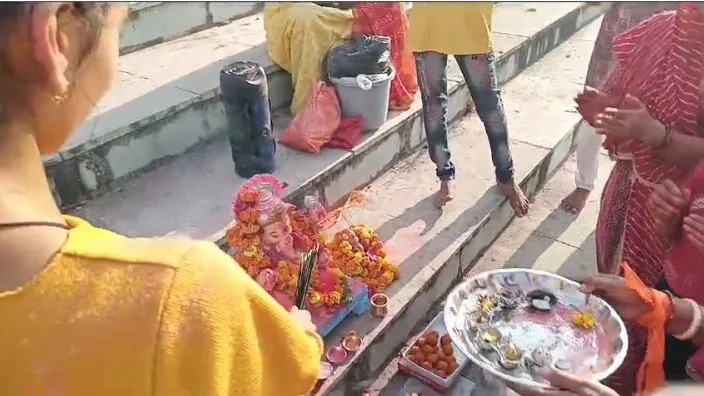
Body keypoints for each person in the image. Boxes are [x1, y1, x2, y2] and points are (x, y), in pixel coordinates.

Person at [0, 3, 322, 395]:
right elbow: (295, 373)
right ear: (55, 38)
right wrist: (298, 338)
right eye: (121, 25)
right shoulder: (179, 298)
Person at [575, 3, 704, 393]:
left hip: (680, 213)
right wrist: (609, 116)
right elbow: (616, 103)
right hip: (628, 190)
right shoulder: (662, 27)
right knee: (617, 294)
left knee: (652, 319)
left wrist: (656, 133)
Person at [408, 2, 530, 215]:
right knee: (434, 108)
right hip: (429, 24)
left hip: (470, 23)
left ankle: (505, 176)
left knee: (490, 108)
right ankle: (445, 174)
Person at [560, 2, 678, 214]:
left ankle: (631, 192)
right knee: (593, 114)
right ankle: (584, 184)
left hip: (662, 47)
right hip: (615, 38)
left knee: (648, 122)